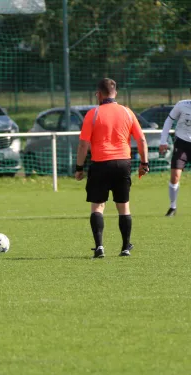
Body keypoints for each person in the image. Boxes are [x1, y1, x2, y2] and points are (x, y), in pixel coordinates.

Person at [74, 78, 149, 258]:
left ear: (99, 94)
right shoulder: (127, 112)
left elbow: (83, 145)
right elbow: (141, 140)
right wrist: (144, 163)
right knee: (123, 207)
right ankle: (125, 248)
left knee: (98, 207)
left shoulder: (93, 113)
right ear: (115, 93)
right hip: (123, 163)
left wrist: (79, 167)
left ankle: (99, 247)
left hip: (100, 163)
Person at [159, 95, 191, 217]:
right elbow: (169, 120)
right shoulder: (181, 105)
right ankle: (173, 206)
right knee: (175, 177)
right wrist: (163, 141)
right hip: (182, 144)